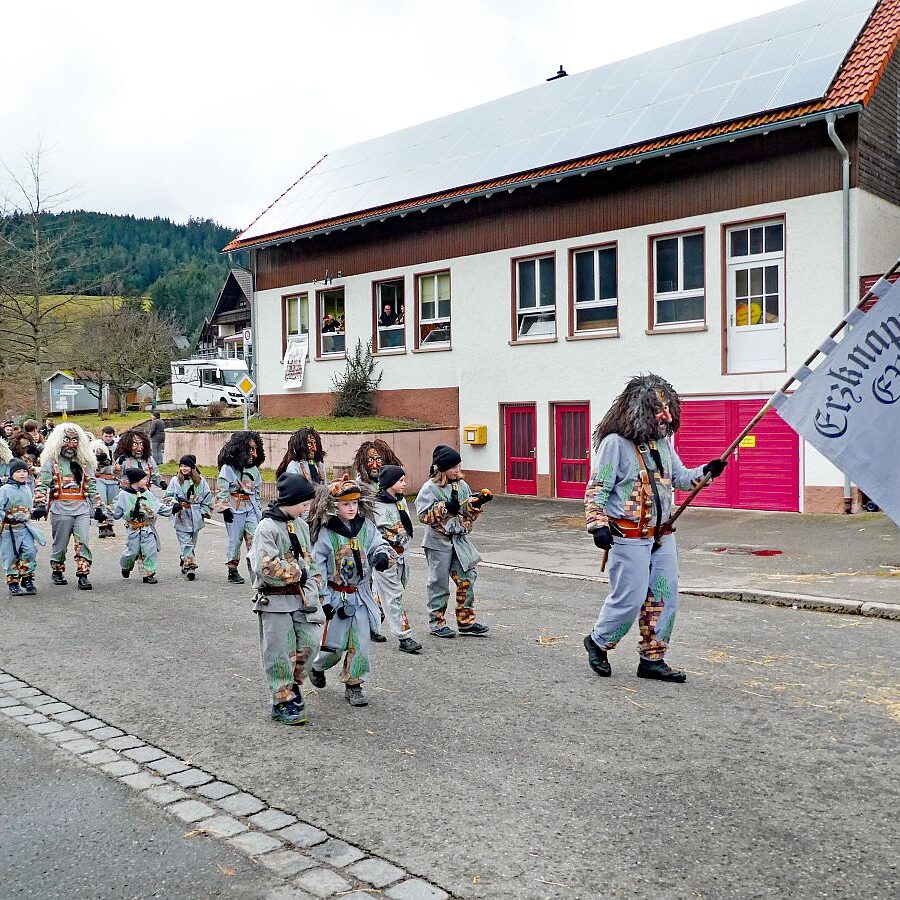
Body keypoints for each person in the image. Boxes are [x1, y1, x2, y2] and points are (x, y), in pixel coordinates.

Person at [582, 374, 727, 683]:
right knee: (631, 598)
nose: (667, 417)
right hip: (628, 537)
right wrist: (598, 525)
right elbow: (597, 490)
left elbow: (682, 478)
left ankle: (653, 658)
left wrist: (707, 471)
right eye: (659, 409)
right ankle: (598, 641)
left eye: (669, 409)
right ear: (640, 410)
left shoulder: (662, 444)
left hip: (662, 537)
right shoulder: (615, 445)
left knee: (664, 597)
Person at [308, 476, 392, 707]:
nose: (352, 508)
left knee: (360, 644)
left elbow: (379, 544)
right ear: (333, 506)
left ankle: (354, 684)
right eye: (346, 504)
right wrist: (323, 598)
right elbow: (318, 568)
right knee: (333, 646)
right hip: (336, 597)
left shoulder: (366, 527)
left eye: (355, 503)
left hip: (361, 596)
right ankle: (318, 665)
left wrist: (383, 555)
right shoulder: (326, 534)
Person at [248, 471, 324, 725]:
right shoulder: (266, 528)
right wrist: (298, 571)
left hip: (302, 600)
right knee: (279, 652)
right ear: (289, 501)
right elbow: (265, 566)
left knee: (310, 642)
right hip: (275, 601)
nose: (306, 509)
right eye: (303, 504)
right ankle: (281, 699)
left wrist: (316, 587)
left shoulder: (300, 526)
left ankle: (293, 683)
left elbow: (310, 561)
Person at [415, 445, 493, 638]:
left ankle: (466, 622)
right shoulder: (429, 488)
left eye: (459, 466)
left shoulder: (461, 485)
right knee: (438, 583)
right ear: (442, 469)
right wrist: (444, 507)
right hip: (437, 542)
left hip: (459, 540)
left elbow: (467, 512)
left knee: (467, 577)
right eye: (453, 468)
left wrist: (477, 504)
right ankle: (437, 623)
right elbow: (423, 515)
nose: (458, 471)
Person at [33, 423, 107, 590]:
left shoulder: (85, 463)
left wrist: (98, 507)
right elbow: (42, 484)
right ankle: (57, 569)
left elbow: (93, 486)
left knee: (83, 542)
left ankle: (83, 574)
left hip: (81, 509)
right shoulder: (52, 463)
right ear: (59, 441)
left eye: (75, 440)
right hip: (60, 508)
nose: (70, 444)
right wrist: (39, 503)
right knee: (60, 543)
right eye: (66, 440)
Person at [372, 465, 422, 654]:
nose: (404, 484)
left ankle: (372, 621)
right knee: (394, 595)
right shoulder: (376, 505)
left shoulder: (399, 501)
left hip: (402, 554)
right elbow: (372, 532)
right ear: (390, 483)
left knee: (389, 590)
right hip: (385, 556)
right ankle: (404, 636)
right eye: (400, 481)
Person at [216, 431, 264, 584]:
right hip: (234, 509)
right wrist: (225, 509)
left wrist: (259, 511)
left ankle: (256, 571)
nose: (253, 453)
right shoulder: (228, 469)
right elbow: (221, 490)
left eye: (255, 449)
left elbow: (256, 492)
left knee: (254, 539)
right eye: (250, 449)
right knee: (235, 541)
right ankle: (232, 569)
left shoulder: (254, 470)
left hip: (250, 508)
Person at [111, 468, 172, 585]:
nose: (146, 481)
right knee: (132, 552)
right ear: (135, 481)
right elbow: (115, 511)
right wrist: (104, 515)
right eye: (143, 479)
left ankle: (148, 573)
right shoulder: (123, 495)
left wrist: (172, 509)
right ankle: (126, 565)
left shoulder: (148, 493)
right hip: (133, 529)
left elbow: (158, 506)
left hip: (147, 528)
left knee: (149, 550)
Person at [0, 459, 46, 595]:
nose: (22, 474)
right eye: (18, 472)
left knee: (30, 551)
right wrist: (5, 517)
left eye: (24, 471)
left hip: (24, 527)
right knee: (11, 555)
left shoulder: (27, 488)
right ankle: (13, 582)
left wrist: (35, 511)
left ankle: (27, 577)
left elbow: (28, 508)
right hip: (9, 529)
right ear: (11, 474)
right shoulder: (4, 490)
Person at [165, 454, 213, 580]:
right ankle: (190, 565)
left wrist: (204, 511)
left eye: (186, 466)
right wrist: (174, 504)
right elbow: (168, 496)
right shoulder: (175, 481)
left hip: (195, 515)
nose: (184, 468)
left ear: (192, 467)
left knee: (192, 541)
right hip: (181, 514)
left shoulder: (201, 481)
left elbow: (207, 497)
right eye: (181, 466)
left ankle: (184, 558)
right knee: (185, 541)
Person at [91, 439, 119, 539]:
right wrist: (98, 460)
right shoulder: (96, 446)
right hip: (100, 478)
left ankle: (110, 525)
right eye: (106, 436)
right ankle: (102, 525)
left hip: (113, 478)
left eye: (110, 436)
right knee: (101, 501)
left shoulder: (117, 447)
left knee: (112, 503)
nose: (108, 438)